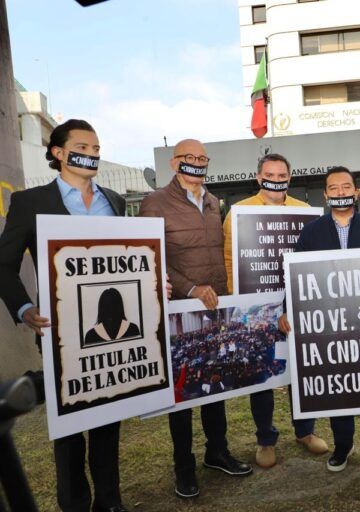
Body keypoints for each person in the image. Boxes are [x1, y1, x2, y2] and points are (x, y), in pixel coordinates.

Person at [0, 119, 129, 512]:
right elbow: (3, 264)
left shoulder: (115, 201)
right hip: (61, 332)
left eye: (96, 148)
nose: (91, 154)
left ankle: (109, 501)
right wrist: (24, 309)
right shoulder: (31, 202)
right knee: (70, 428)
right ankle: (74, 504)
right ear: (58, 152)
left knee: (109, 417)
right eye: (82, 147)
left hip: (114, 330)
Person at [139, 139, 252, 500]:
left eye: (203, 158)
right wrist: (190, 290)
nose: (197, 163)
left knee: (213, 383)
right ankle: (183, 466)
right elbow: (150, 254)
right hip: (177, 309)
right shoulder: (154, 202)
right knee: (182, 391)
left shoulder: (212, 200)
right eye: (190, 157)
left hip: (215, 308)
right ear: (175, 163)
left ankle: (216, 452)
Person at [281, 166, 360, 472]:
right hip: (330, 324)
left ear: (356, 192)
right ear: (326, 194)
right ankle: (343, 446)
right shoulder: (311, 232)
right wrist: (286, 308)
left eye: (347, 187)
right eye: (334, 188)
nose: (341, 192)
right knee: (339, 384)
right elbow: (296, 277)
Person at [222, 153, 328, 469]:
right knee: (263, 373)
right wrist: (239, 303)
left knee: (300, 370)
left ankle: (305, 431)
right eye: (270, 173)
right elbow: (230, 261)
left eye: (282, 174)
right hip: (257, 307)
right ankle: (265, 439)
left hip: (296, 304)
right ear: (258, 177)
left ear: (289, 178)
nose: (276, 179)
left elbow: (314, 258)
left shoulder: (305, 212)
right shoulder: (238, 213)